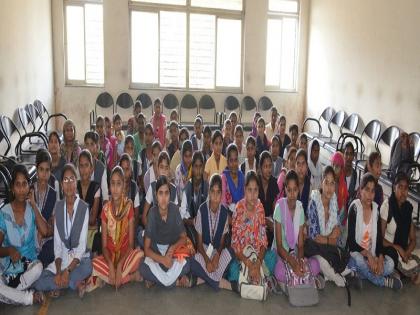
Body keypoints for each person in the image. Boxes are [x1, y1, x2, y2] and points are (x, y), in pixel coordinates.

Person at [34, 164, 92, 298]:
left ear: (76, 182)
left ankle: (64, 283)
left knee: (88, 266)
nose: (69, 184)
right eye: (65, 180)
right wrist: (60, 271)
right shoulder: (58, 207)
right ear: (61, 184)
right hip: (63, 259)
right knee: (39, 282)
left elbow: (82, 247)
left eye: (72, 179)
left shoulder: (83, 208)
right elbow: (58, 246)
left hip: (78, 260)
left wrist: (67, 271)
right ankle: (73, 283)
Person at [0, 165, 48, 305]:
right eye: (17, 184)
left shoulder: (32, 209)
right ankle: (28, 297)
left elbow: (45, 231)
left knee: (39, 267)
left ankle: (8, 293)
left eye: (24, 184)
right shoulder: (4, 213)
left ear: (29, 186)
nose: (21, 189)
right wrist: (9, 250)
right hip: (7, 267)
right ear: (12, 189)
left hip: (28, 268)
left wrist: (33, 204)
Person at [89, 166, 143, 290]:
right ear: (109, 186)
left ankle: (111, 278)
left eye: (119, 184)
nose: (115, 188)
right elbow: (103, 246)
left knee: (140, 255)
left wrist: (118, 266)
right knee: (92, 264)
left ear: (124, 186)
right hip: (109, 257)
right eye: (112, 184)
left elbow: (130, 245)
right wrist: (111, 265)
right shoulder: (105, 210)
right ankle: (129, 277)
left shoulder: (128, 208)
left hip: (125, 258)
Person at [347, 173, 402, 290]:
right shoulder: (354, 208)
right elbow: (351, 243)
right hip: (357, 253)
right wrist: (368, 255)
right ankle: (383, 281)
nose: (369, 195)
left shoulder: (376, 210)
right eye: (367, 189)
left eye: (373, 191)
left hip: (371, 255)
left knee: (390, 264)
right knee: (359, 261)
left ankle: (360, 274)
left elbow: (378, 241)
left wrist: (380, 257)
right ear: (360, 190)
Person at [273, 170, 322, 289]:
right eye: (289, 190)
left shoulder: (300, 209)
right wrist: (292, 262)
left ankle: (294, 278)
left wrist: (299, 262)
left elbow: (300, 245)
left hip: (295, 253)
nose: (292, 194)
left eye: (295, 190)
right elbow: (279, 246)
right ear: (285, 190)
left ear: (298, 190)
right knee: (279, 271)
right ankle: (304, 279)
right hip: (282, 254)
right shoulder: (279, 208)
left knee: (316, 264)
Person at [140, 176, 192, 288]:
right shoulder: (152, 214)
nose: (163, 198)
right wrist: (163, 260)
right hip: (157, 253)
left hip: (171, 254)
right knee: (142, 268)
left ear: (170, 195)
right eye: (160, 193)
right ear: (156, 195)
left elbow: (183, 237)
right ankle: (174, 282)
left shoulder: (174, 210)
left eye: (166, 193)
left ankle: (157, 280)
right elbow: (147, 249)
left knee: (188, 265)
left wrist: (173, 247)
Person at [228, 171, 276, 288]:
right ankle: (258, 277)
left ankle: (252, 277)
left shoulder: (260, 208)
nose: (253, 194)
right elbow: (235, 244)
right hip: (242, 257)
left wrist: (258, 262)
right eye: (250, 190)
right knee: (232, 272)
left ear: (259, 191)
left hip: (257, 256)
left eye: (255, 190)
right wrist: (248, 263)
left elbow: (263, 241)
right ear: (244, 190)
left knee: (273, 258)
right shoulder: (239, 208)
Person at [306, 166, 349, 287]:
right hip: (314, 249)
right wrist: (330, 238)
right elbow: (315, 238)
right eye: (326, 183)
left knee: (348, 258)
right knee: (321, 261)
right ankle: (334, 275)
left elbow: (336, 238)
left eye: (332, 183)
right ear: (321, 183)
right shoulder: (314, 202)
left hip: (328, 248)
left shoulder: (334, 203)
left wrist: (328, 239)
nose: (329, 188)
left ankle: (328, 273)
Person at [190, 174, 232, 291]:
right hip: (204, 251)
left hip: (216, 252)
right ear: (208, 192)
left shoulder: (224, 212)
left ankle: (205, 278)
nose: (215, 196)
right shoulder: (201, 210)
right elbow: (198, 244)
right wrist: (208, 261)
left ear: (221, 194)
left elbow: (222, 242)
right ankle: (217, 281)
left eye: (218, 192)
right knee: (192, 261)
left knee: (230, 253)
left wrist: (217, 256)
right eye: (212, 191)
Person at [380, 172, 420, 284]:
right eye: (400, 187)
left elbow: (413, 240)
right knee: (392, 257)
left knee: (416, 254)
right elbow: (380, 239)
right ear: (394, 188)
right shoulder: (387, 206)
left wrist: (406, 252)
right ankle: (405, 272)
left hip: (403, 252)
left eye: (406, 188)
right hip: (389, 249)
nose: (403, 192)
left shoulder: (408, 208)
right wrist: (398, 248)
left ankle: (401, 272)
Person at [33, 149, 57, 268]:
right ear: (36, 170)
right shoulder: (30, 191)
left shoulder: (53, 194)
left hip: (46, 239)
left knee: (56, 247)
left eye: (47, 170)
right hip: (30, 238)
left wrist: (46, 231)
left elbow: (52, 224)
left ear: (50, 171)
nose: (44, 174)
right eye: (41, 169)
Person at [180, 151, 209, 246]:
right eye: (196, 166)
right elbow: (182, 217)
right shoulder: (188, 187)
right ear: (192, 168)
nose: (198, 170)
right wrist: (192, 222)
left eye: (200, 166)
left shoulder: (207, 187)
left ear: (203, 167)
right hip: (189, 225)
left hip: (205, 225)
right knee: (192, 241)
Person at [77, 150, 101, 254]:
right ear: (78, 168)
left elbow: (92, 219)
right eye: (81, 166)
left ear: (91, 168)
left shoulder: (96, 187)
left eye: (86, 165)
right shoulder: (75, 187)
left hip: (92, 233)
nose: (84, 169)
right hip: (77, 233)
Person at [258, 151, 280, 247]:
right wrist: (266, 221)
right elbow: (253, 209)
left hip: (269, 221)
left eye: (270, 166)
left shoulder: (274, 182)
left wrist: (274, 222)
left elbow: (275, 207)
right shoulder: (255, 182)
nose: (268, 170)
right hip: (256, 220)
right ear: (260, 168)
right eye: (265, 166)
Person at [84, 131, 109, 205]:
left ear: (97, 146)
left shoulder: (101, 167)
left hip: (98, 208)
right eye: (87, 144)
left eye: (92, 144)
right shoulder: (79, 165)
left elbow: (105, 195)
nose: (89, 147)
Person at [330, 151, 349, 246]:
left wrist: (337, 222)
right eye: (333, 165)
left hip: (339, 222)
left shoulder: (343, 186)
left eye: (337, 166)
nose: (334, 169)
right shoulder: (327, 182)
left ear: (341, 168)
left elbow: (343, 210)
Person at [221, 144, 245, 214]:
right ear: (227, 162)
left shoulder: (241, 176)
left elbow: (246, 200)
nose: (234, 164)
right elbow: (223, 204)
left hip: (242, 215)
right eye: (231, 160)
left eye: (235, 160)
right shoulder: (224, 178)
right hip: (228, 217)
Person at [48, 131, 66, 195]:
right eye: (51, 142)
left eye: (56, 142)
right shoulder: (45, 164)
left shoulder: (64, 164)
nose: (53, 145)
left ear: (59, 145)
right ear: (48, 145)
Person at [295, 149, 312, 215]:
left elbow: (310, 211)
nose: (300, 167)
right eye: (298, 163)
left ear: (307, 166)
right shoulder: (290, 183)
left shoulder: (310, 185)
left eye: (303, 163)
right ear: (295, 166)